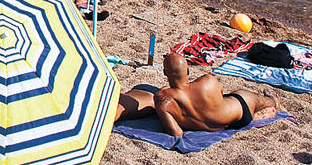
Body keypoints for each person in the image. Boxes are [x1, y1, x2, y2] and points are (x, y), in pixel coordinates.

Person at [114, 51, 278, 135]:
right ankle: (272, 101)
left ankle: (259, 113)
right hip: (237, 117)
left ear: (165, 73)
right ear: (189, 70)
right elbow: (221, 96)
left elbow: (176, 133)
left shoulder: (162, 100)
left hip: (209, 126)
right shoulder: (208, 81)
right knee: (246, 95)